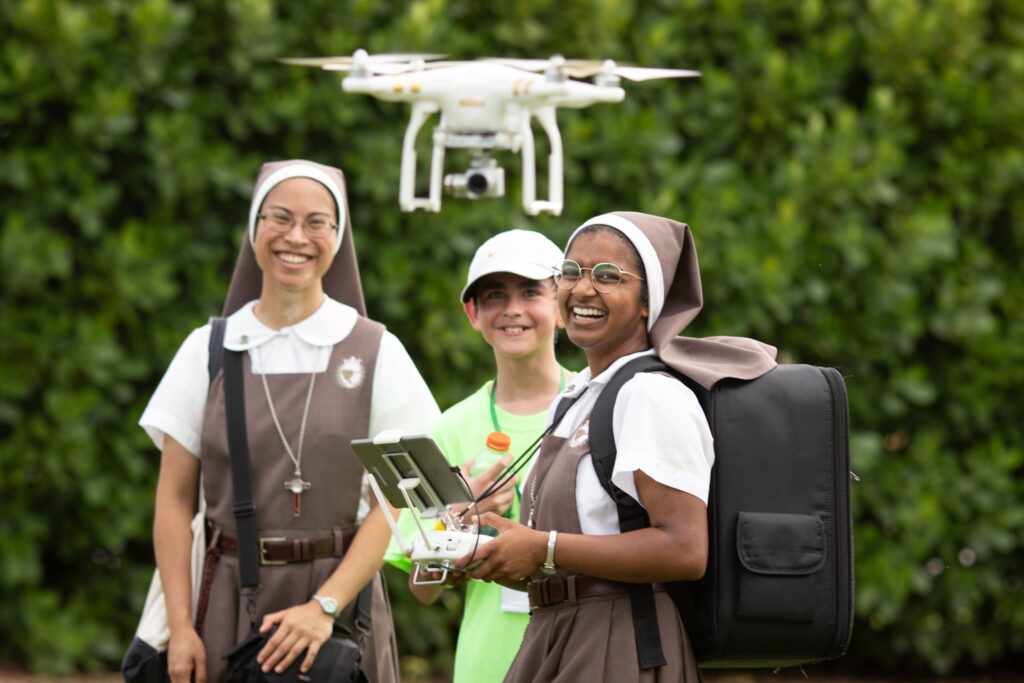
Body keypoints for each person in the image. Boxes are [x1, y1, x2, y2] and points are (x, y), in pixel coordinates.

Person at [140, 160, 440, 683]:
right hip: (226, 602)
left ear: (338, 235)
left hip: (342, 603)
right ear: (254, 230)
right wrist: (183, 627)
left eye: (317, 221)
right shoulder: (209, 350)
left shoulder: (376, 350)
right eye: (278, 217)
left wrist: (325, 606)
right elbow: (173, 501)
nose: (296, 236)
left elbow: (400, 499)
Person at [460, 212, 777, 682]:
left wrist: (543, 546)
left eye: (608, 276)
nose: (583, 289)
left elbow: (685, 550)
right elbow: (568, 558)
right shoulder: (577, 399)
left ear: (649, 301)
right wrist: (491, 550)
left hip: (622, 646)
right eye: (570, 273)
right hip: (558, 635)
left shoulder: (650, 394)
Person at [384, 229, 570, 683]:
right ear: (473, 313)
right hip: (489, 663)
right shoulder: (449, 429)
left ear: (563, 305)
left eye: (531, 292)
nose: (512, 309)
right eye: (493, 295)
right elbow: (423, 590)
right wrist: (456, 522)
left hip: (583, 651)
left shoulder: (600, 405)